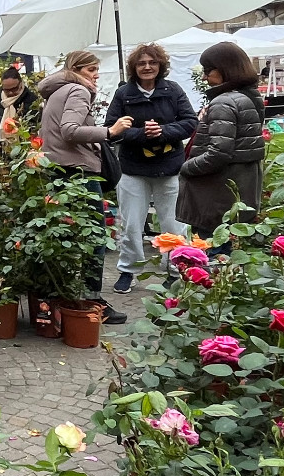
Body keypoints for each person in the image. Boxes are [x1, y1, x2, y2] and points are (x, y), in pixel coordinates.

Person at [37, 51, 133, 323]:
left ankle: (58, 297)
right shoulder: (78, 91)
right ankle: (92, 300)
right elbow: (69, 130)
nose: (96, 75)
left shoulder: (56, 91)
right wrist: (110, 132)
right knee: (95, 238)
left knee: (64, 237)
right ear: (76, 69)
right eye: (91, 69)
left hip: (57, 170)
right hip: (79, 172)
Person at [103, 45, 198, 294]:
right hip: (133, 168)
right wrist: (141, 135)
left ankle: (177, 269)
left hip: (170, 166)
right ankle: (128, 270)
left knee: (174, 222)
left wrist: (164, 131)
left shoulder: (172, 91)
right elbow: (111, 128)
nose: (147, 67)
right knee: (131, 223)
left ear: (160, 66)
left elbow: (190, 122)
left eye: (152, 63)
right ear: (134, 68)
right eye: (141, 63)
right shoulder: (124, 94)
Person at [178, 42, 268, 240]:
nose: (204, 77)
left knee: (212, 256)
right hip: (239, 192)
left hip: (216, 197)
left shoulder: (224, 102)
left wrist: (186, 167)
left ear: (225, 69)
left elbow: (218, 153)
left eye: (208, 70)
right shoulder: (250, 97)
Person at [0, 66, 40, 146]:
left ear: (20, 84)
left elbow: (34, 127)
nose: (10, 93)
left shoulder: (31, 99)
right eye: (6, 90)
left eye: (14, 89)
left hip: (21, 149)